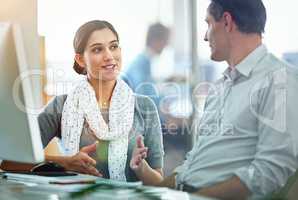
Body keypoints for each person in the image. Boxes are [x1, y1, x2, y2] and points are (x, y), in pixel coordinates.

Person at [135, 0, 298, 199]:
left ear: (227, 22)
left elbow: (269, 172)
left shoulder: (279, 80)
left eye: (209, 24)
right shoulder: (220, 87)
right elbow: (192, 167)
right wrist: (154, 185)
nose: (205, 36)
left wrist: (195, 198)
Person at [2, 20, 164, 185]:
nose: (109, 56)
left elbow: (159, 182)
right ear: (80, 60)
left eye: (113, 46)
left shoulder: (145, 107)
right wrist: (65, 163)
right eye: (97, 49)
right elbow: (8, 162)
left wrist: (141, 167)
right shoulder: (61, 105)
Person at [122, 22, 170, 106]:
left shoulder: (145, 62)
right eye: (165, 40)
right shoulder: (140, 64)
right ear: (155, 40)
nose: (166, 44)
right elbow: (143, 97)